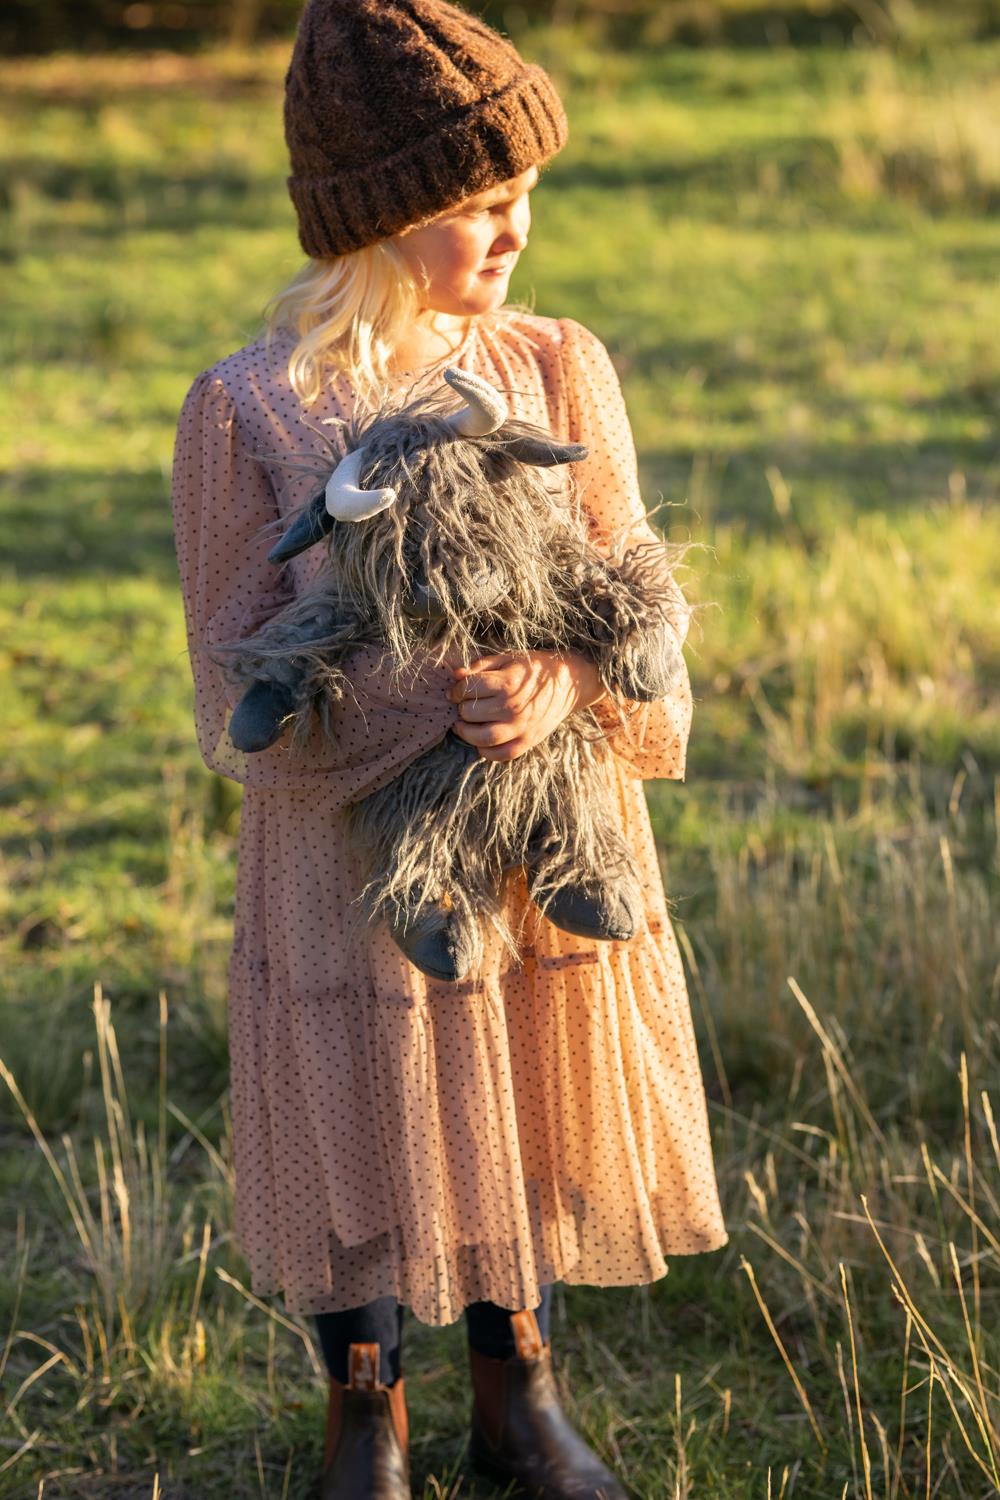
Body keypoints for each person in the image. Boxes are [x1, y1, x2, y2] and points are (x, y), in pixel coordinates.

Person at [168, 1, 729, 1495]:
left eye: (524, 194)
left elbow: (636, 608)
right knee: (370, 1097)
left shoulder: (558, 371)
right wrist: (417, 707)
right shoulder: (251, 413)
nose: (517, 230)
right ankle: (369, 1414)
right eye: (480, 204)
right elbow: (235, 683)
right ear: (381, 216)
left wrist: (558, 685)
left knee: (520, 1087)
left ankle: (518, 1397)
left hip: (544, 840)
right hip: (353, 859)